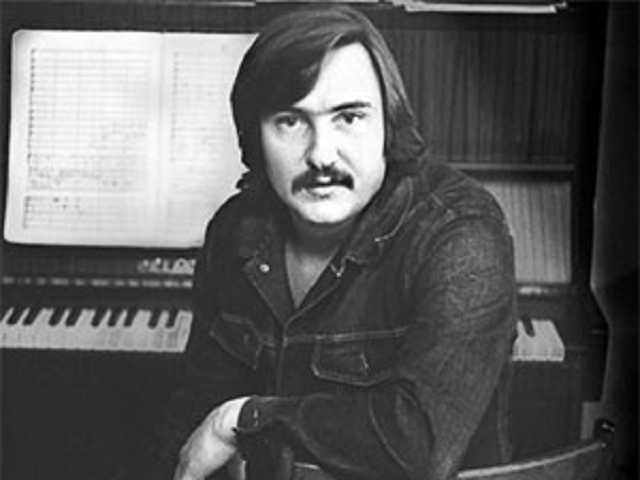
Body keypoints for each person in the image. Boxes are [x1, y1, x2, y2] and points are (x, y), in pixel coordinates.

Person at [134, 5, 516, 480]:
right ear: (254, 136)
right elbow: (192, 409)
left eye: (349, 117)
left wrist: (243, 419)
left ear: (388, 124)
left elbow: (418, 445)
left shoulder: (459, 233)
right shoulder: (234, 231)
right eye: (290, 121)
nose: (321, 156)